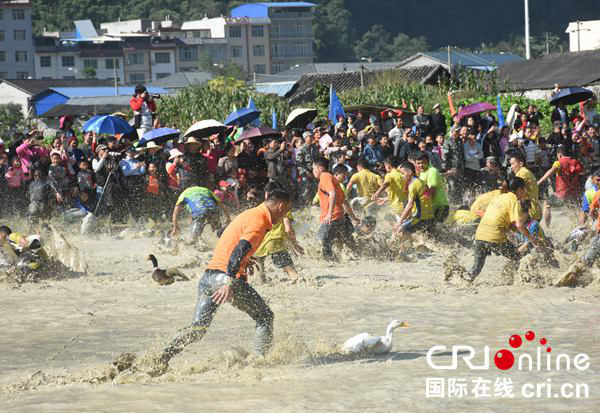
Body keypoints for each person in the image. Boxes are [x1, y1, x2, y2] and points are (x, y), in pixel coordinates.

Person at [151, 190, 293, 375]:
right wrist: (229, 282)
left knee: (197, 329)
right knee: (265, 317)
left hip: (208, 278)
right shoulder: (259, 221)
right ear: (281, 207)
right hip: (225, 279)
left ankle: (162, 357)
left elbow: (232, 243)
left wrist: (245, 260)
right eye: (286, 211)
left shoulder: (250, 214)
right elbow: (239, 249)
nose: (284, 216)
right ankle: (260, 361)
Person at [465, 177, 540, 282]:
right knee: (518, 258)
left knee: (476, 269)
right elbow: (518, 225)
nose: (525, 191)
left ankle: (463, 279)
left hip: (480, 235)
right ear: (519, 189)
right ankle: (519, 280)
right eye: (524, 189)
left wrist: (524, 235)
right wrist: (532, 238)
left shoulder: (499, 197)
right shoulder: (513, 200)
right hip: (495, 237)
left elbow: (509, 225)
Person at [254, 182, 304, 283]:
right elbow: (288, 229)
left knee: (259, 278)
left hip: (259, 244)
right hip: (275, 242)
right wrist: (295, 244)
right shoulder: (284, 207)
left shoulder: (261, 208)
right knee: (293, 274)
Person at [312, 157, 359, 261]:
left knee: (323, 241)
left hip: (332, 217)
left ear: (320, 168)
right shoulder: (334, 180)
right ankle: (353, 256)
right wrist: (353, 217)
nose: (313, 171)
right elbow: (344, 202)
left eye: (313, 168)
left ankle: (331, 263)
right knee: (342, 240)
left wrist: (329, 214)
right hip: (339, 216)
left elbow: (332, 193)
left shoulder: (325, 176)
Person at [393, 161, 434, 240]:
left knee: (398, 231)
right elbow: (427, 196)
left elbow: (410, 205)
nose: (401, 176)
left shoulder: (413, 184)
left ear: (410, 172)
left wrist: (399, 221)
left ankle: (421, 240)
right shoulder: (420, 181)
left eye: (402, 173)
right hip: (430, 216)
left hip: (421, 217)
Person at [414, 151, 449, 223]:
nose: (420, 165)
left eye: (423, 162)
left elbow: (431, 191)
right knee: (430, 230)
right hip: (431, 207)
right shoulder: (422, 172)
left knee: (435, 228)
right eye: (418, 163)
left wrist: (421, 203)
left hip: (439, 206)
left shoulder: (432, 171)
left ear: (428, 161)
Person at [371, 156, 407, 222]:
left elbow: (385, 184)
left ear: (388, 165)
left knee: (400, 229)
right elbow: (399, 192)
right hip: (406, 204)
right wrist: (385, 199)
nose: (385, 167)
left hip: (398, 206)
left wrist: (377, 193)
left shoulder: (389, 175)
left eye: (385, 166)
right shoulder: (402, 174)